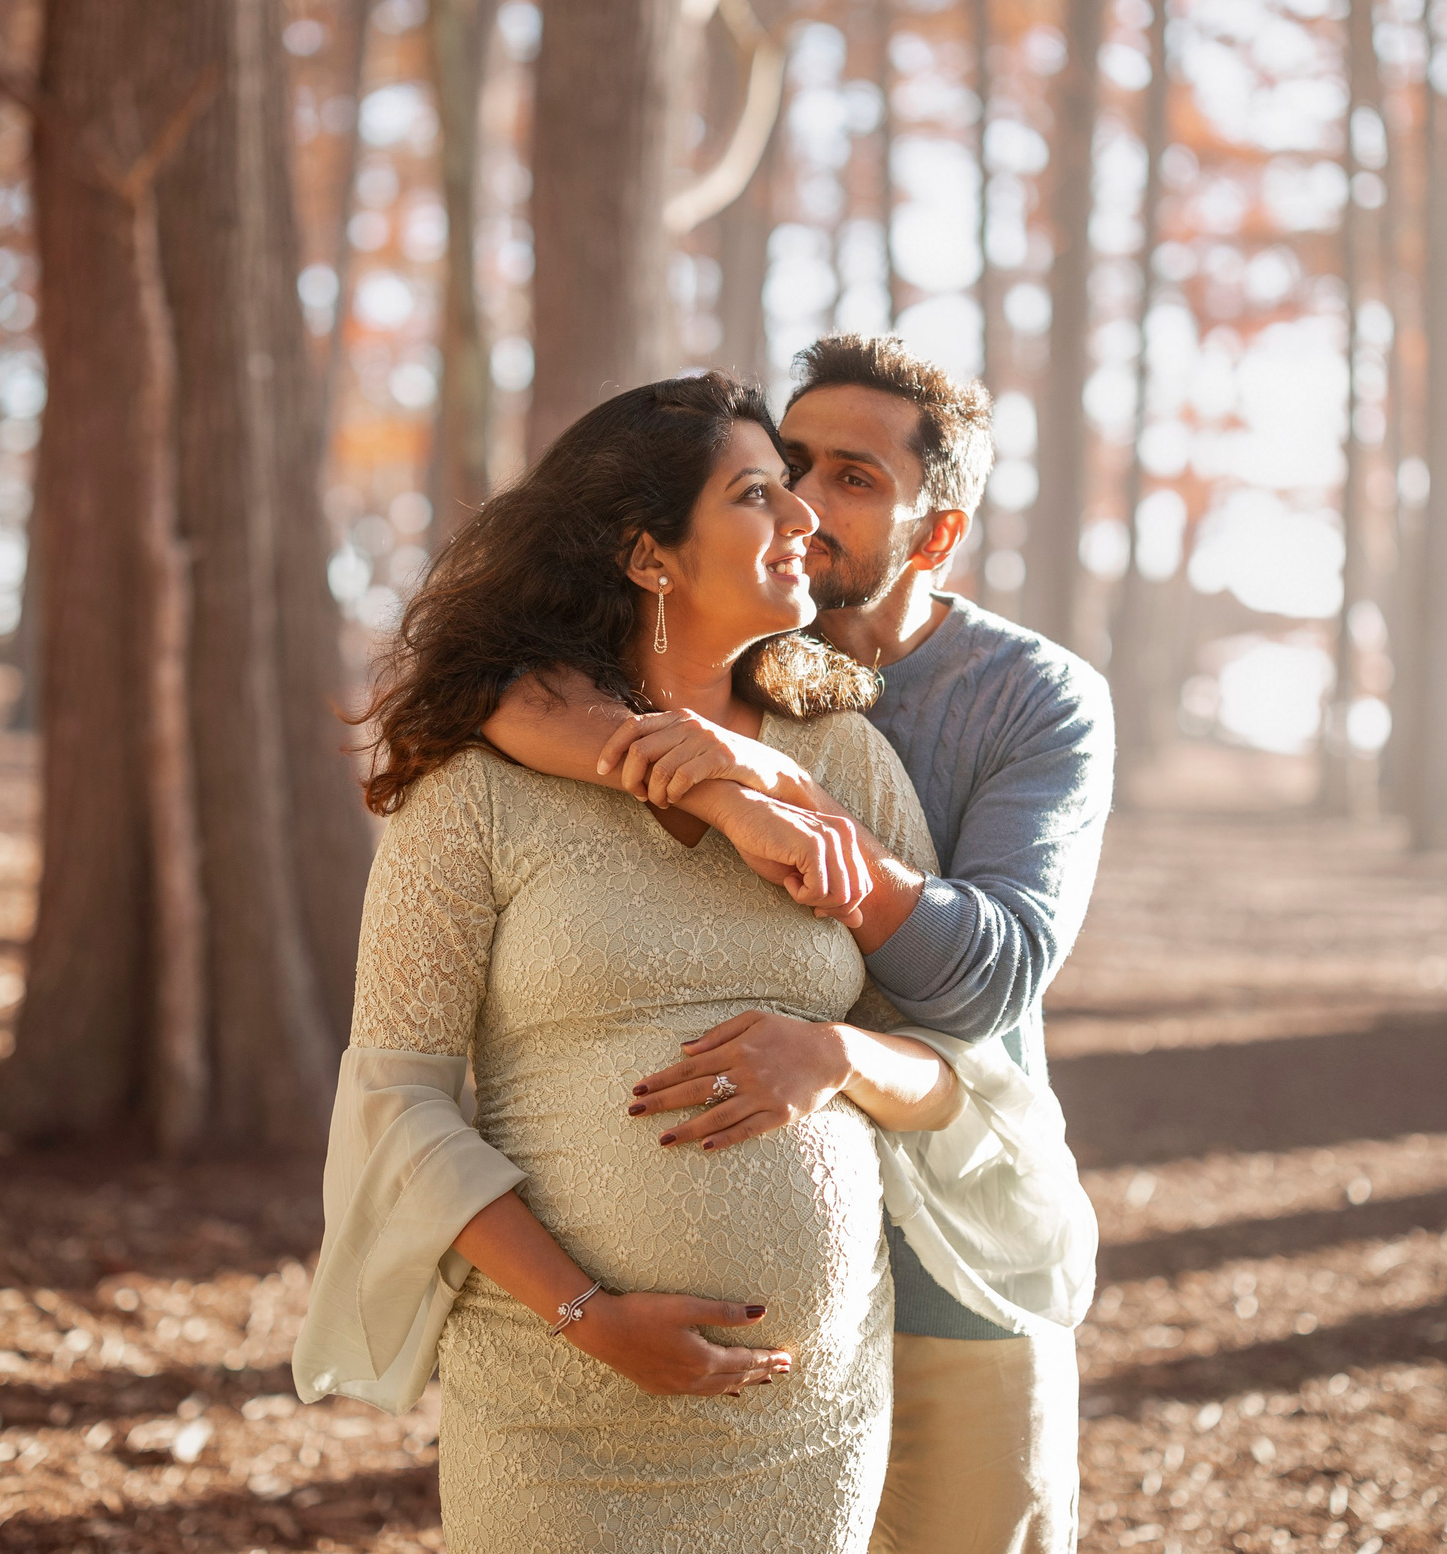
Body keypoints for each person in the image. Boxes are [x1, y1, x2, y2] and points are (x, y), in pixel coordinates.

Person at [293, 373, 1083, 1554]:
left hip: (807, 1417)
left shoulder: (847, 762)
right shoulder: (482, 786)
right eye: (761, 492)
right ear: (648, 557)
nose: (804, 516)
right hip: (554, 1399)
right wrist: (586, 1315)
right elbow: (396, 1100)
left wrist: (837, 1056)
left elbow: (953, 1073)